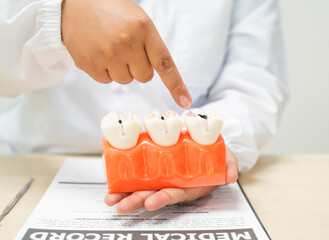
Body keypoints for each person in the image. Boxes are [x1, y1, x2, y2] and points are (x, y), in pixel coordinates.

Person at [0, 0, 287, 214]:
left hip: (200, 187)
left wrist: (217, 155)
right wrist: (58, 14)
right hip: (35, 173)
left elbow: (254, 78)